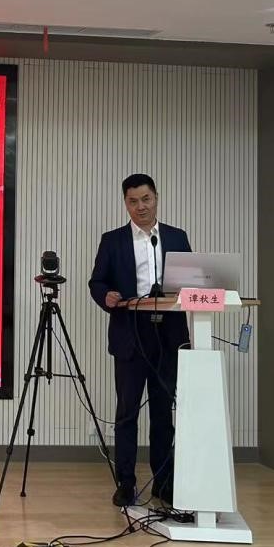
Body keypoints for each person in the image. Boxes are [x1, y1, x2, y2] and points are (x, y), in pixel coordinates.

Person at [88, 174, 191, 508]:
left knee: (163, 413)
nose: (141, 207)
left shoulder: (176, 237)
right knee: (127, 413)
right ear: (126, 204)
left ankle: (164, 482)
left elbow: (192, 280)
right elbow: (96, 282)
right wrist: (106, 296)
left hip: (168, 335)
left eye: (146, 199)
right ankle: (126, 483)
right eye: (133, 201)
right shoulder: (112, 241)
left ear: (156, 198)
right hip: (130, 334)